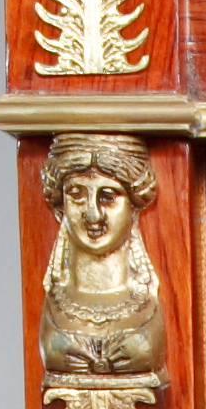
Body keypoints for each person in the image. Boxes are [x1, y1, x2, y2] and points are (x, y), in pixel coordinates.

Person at [39, 132, 166, 375]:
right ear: (59, 207)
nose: (93, 215)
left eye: (108, 197)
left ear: (135, 207)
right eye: (76, 195)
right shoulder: (57, 300)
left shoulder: (145, 300)